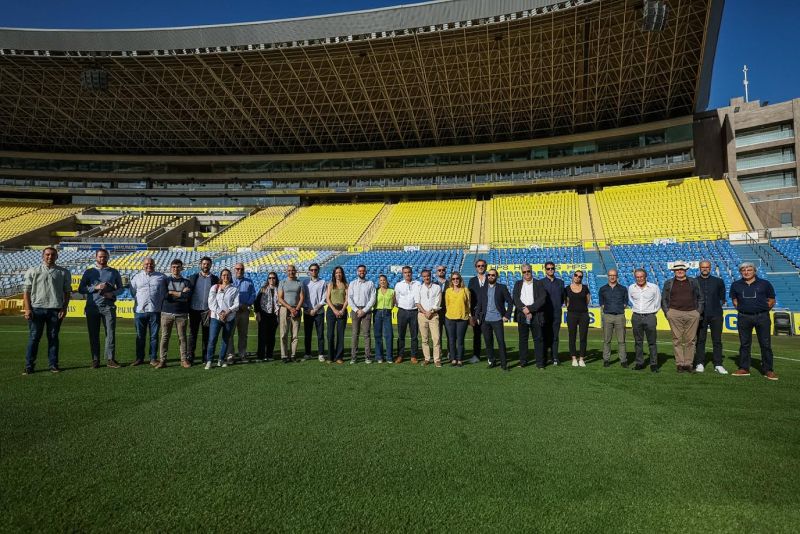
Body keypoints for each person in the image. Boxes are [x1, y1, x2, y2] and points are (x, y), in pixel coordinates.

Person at [22, 247, 71, 375]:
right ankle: (29, 365)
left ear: (57, 256)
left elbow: (67, 292)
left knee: (53, 337)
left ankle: (53, 365)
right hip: (36, 309)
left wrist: (64, 308)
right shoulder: (33, 270)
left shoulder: (63, 272)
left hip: (55, 309)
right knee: (34, 338)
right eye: (47, 254)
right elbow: (26, 291)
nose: (50, 257)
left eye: (53, 254)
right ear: (43, 256)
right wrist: (27, 309)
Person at [730, 262, 777, 380]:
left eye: (749, 270)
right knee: (744, 344)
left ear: (754, 271)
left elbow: (772, 300)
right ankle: (744, 368)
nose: (746, 272)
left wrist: (762, 310)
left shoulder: (765, 284)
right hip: (744, 317)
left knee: (765, 344)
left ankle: (768, 370)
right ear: (740, 272)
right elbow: (735, 301)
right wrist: (744, 310)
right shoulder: (736, 285)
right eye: (743, 270)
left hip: (762, 317)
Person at [78, 248, 123, 369]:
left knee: (110, 333)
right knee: (93, 334)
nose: (102, 258)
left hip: (108, 307)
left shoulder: (114, 272)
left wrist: (112, 294)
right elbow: (81, 289)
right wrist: (95, 287)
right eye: (100, 256)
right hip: (92, 307)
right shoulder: (89, 272)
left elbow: (121, 289)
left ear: (108, 257)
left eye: (104, 256)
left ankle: (110, 359)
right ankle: (95, 359)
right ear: (96, 257)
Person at [661, 262, 704, 373]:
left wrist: (698, 312)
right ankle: (680, 364)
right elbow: (664, 299)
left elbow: (700, 297)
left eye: (681, 269)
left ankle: (688, 364)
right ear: (674, 271)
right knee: (677, 340)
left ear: (685, 270)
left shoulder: (694, 281)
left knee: (691, 340)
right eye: (677, 269)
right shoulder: (668, 282)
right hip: (674, 313)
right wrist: (667, 312)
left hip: (692, 313)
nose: (679, 271)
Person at [130, 257, 166, 367]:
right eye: (146, 264)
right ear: (143, 265)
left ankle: (153, 358)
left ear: (154, 264)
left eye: (151, 263)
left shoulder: (161, 277)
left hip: (155, 311)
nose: (149, 265)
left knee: (154, 336)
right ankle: (139, 358)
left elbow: (163, 292)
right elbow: (133, 292)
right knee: (140, 336)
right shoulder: (136, 277)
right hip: (140, 311)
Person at [474, 268, 513, 371]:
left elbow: (510, 302)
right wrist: (477, 316)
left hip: (497, 319)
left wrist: (507, 315)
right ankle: (492, 361)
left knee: (500, 342)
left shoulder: (502, 287)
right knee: (488, 342)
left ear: (496, 276)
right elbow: (479, 304)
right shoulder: (483, 288)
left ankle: (504, 364)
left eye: (493, 275)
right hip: (485, 320)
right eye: (489, 275)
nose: (490, 277)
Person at [157, 259, 193, 369]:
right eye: (173, 267)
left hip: (181, 314)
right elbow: (164, 296)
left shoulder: (187, 282)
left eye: (178, 267)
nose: (175, 269)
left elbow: (187, 296)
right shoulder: (165, 281)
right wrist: (181, 294)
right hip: (166, 313)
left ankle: (183, 360)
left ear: (181, 268)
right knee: (164, 337)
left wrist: (172, 292)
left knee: (182, 338)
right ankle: (162, 360)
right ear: (170, 268)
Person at [695, 260, 727, 374]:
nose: (705, 269)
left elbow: (722, 298)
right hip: (700, 315)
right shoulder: (694, 281)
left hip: (716, 315)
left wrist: (714, 307)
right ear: (699, 268)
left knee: (717, 340)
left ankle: (718, 364)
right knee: (700, 340)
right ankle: (700, 363)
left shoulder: (718, 281)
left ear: (710, 268)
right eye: (703, 267)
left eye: (707, 267)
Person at [512, 263, 546, 368]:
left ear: (531, 271)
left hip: (536, 315)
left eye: (528, 271)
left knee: (538, 339)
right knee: (523, 339)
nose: (526, 273)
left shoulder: (539, 283)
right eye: (524, 272)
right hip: (522, 315)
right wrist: (524, 309)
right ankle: (523, 362)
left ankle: (540, 363)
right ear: (522, 273)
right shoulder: (518, 284)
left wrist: (530, 309)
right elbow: (515, 298)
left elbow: (542, 298)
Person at [628, 268, 661, 373]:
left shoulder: (654, 287)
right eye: (637, 277)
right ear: (635, 278)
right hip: (636, 317)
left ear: (646, 277)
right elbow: (631, 300)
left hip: (650, 316)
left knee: (652, 342)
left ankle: (654, 364)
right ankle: (639, 363)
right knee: (638, 342)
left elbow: (658, 301)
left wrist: (652, 312)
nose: (640, 279)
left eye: (641, 276)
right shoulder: (631, 288)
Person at [206, 268, 239, 369]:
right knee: (212, 339)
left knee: (225, 340)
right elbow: (211, 303)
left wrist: (227, 312)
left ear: (230, 276)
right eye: (224, 275)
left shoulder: (234, 289)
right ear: (221, 276)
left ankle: (221, 359)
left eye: (228, 275)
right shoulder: (215, 287)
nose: (226, 277)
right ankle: (209, 360)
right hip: (216, 317)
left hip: (229, 318)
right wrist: (220, 313)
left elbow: (236, 304)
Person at [188, 256, 218, 365]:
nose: (206, 266)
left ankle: (205, 357)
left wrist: (212, 309)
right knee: (192, 334)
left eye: (208, 264)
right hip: (194, 309)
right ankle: (190, 356)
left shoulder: (214, 279)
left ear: (211, 265)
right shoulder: (193, 277)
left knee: (206, 335)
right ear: (200, 265)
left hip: (207, 311)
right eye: (204, 264)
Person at [598, 269, 628, 368]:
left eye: (614, 275)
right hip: (607, 316)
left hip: (619, 316)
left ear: (617, 276)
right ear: (608, 276)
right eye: (610, 275)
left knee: (621, 340)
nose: (612, 277)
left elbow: (625, 302)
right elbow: (601, 303)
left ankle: (623, 360)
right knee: (607, 340)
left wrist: (618, 309)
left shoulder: (623, 289)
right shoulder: (602, 289)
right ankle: (606, 360)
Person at [348, 265, 376, 363]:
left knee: (366, 334)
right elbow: (349, 298)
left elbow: (373, 298)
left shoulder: (370, 283)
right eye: (360, 271)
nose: (361, 272)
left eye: (363, 271)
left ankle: (367, 356)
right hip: (355, 310)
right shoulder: (352, 283)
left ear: (366, 272)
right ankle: (353, 357)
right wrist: (357, 310)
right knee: (355, 334)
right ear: (357, 272)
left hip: (366, 310)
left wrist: (364, 310)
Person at [229, 263, 256, 363]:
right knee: (230, 334)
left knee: (243, 334)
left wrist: (247, 304)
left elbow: (253, 294)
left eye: (241, 269)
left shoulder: (249, 282)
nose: (239, 271)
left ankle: (242, 354)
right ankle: (230, 355)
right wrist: (238, 305)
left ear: (244, 270)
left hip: (244, 312)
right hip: (232, 312)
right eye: (237, 269)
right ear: (234, 270)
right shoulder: (229, 281)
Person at [416, 269, 443, 367]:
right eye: (424, 276)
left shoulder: (437, 287)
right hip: (422, 315)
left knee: (436, 338)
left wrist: (431, 312)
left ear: (430, 276)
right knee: (424, 339)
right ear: (422, 277)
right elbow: (417, 302)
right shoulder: (419, 288)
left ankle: (437, 359)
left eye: (428, 276)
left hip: (434, 315)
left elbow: (438, 302)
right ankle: (427, 358)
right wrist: (425, 312)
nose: (426, 278)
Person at [564, 270, 591, 367]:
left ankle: (582, 358)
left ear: (582, 278)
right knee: (572, 336)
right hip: (572, 314)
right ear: (573, 276)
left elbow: (587, 300)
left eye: (580, 276)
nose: (577, 277)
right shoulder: (567, 288)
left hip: (583, 314)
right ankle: (574, 358)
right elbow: (566, 302)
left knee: (583, 337)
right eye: (576, 275)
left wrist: (581, 308)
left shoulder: (585, 288)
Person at [278, 264, 304, 363]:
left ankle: (293, 355)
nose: (291, 272)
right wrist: (290, 308)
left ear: (295, 271)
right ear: (286, 272)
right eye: (289, 270)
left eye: (292, 270)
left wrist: (296, 309)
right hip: (285, 309)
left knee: (295, 334)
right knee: (283, 334)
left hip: (296, 309)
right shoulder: (282, 282)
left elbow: (302, 297)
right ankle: (284, 355)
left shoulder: (299, 283)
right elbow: (280, 298)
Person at [394, 266, 420, 364]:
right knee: (401, 335)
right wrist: (402, 307)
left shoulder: (418, 284)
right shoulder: (398, 285)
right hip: (402, 312)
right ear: (402, 274)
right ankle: (400, 355)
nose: (407, 274)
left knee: (414, 335)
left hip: (414, 312)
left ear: (411, 273)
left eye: (409, 272)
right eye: (405, 272)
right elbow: (396, 299)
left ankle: (413, 356)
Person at [541, 261, 565, 366]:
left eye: (552, 268)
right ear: (545, 270)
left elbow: (562, 298)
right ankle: (545, 357)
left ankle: (555, 357)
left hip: (556, 313)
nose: (550, 270)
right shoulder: (541, 282)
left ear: (554, 269)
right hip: (544, 314)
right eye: (548, 268)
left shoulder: (560, 282)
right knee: (545, 336)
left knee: (555, 336)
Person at [444, 271, 471, 366]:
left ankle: (459, 359)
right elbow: (447, 304)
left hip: (462, 319)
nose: (455, 280)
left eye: (457, 278)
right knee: (451, 340)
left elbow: (468, 305)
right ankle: (453, 359)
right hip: (450, 318)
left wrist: (469, 316)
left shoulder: (465, 290)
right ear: (451, 280)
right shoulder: (448, 291)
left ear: (460, 279)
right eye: (453, 279)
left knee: (460, 340)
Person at [302, 263, 327, 362]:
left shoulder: (323, 282)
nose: (313, 271)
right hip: (307, 312)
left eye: (315, 270)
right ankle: (307, 353)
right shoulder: (305, 282)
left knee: (320, 334)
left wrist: (316, 309)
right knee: (307, 334)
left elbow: (324, 298)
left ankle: (321, 354)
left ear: (318, 270)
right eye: (312, 270)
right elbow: (302, 297)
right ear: (309, 271)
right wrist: (308, 309)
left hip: (319, 312)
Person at [255, 272, 280, 362]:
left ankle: (269, 354)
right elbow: (257, 302)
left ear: (276, 279)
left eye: (273, 278)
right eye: (270, 278)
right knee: (262, 336)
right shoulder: (263, 289)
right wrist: (257, 313)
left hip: (274, 315)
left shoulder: (279, 289)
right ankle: (260, 356)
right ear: (267, 279)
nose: (271, 279)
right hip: (263, 314)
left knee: (271, 336)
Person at [467, 258, 488, 364]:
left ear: (486, 267)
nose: (480, 267)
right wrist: (471, 315)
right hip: (476, 313)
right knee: (476, 335)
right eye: (478, 266)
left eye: (482, 265)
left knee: (488, 335)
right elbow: (469, 298)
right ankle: (476, 355)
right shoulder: (472, 281)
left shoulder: (490, 279)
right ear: (476, 268)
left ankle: (490, 355)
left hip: (488, 312)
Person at [326, 266, 348, 364]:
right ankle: (330, 357)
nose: (338, 274)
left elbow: (347, 299)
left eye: (339, 272)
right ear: (334, 274)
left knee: (340, 335)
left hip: (342, 309)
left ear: (342, 274)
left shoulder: (346, 285)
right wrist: (334, 310)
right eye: (336, 273)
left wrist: (342, 310)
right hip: (331, 310)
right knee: (330, 334)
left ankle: (339, 357)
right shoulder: (330, 284)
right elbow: (327, 299)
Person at [373, 274, 396, 364]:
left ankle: (389, 357)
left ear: (387, 281)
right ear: (379, 282)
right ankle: (379, 356)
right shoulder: (375, 291)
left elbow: (394, 302)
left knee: (389, 335)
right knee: (377, 335)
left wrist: (389, 309)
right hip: (377, 313)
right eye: (381, 280)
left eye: (384, 280)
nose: (382, 282)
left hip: (387, 313)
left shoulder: (392, 291)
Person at [434, 265, 450, 359]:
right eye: (439, 270)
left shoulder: (451, 283)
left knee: (449, 334)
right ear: (436, 272)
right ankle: (438, 352)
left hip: (448, 312)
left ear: (445, 271)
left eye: (443, 270)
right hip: (436, 313)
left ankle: (450, 351)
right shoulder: (433, 284)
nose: (441, 271)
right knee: (437, 334)